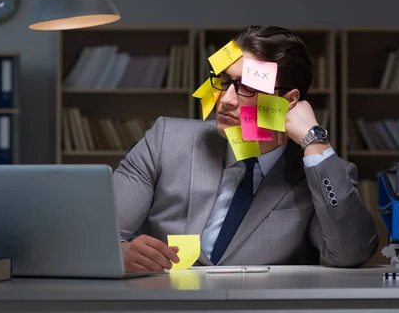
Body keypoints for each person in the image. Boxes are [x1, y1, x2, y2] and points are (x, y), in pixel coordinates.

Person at [113, 25, 379, 273]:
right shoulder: (165, 140)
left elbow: (351, 253)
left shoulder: (321, 173)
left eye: (248, 89)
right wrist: (120, 254)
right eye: (224, 81)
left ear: (288, 101)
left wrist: (315, 141)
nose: (226, 100)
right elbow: (95, 234)